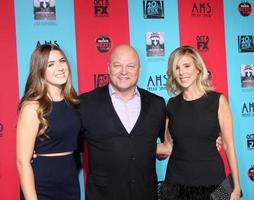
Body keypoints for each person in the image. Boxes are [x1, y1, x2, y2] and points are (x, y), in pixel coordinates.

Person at [79, 44, 166, 200]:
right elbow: (69, 143)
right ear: (108, 68)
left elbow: (170, 144)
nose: (124, 71)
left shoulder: (157, 104)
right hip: (102, 196)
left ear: (139, 69)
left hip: (145, 194)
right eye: (117, 65)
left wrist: (208, 140)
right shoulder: (85, 103)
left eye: (130, 66)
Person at [157, 46, 241, 200]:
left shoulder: (217, 100)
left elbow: (229, 145)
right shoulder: (171, 105)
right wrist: (135, 147)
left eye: (186, 66)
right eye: (177, 68)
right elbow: (168, 146)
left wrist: (236, 187)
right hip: (176, 185)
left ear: (198, 68)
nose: (182, 72)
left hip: (214, 183)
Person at [16, 44, 81, 200]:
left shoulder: (73, 102)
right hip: (42, 185)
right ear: (40, 71)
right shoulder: (32, 107)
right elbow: (22, 162)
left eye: (62, 61)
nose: (59, 67)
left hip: (70, 182)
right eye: (50, 64)